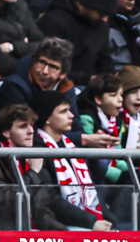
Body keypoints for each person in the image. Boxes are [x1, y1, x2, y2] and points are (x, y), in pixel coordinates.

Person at [31, 91, 117, 231]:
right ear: (47, 118)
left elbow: (91, 189)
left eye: (69, 110)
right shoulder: (38, 150)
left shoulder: (71, 147)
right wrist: (91, 222)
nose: (71, 115)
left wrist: (109, 219)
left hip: (84, 222)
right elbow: (50, 199)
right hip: (59, 227)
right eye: (63, 111)